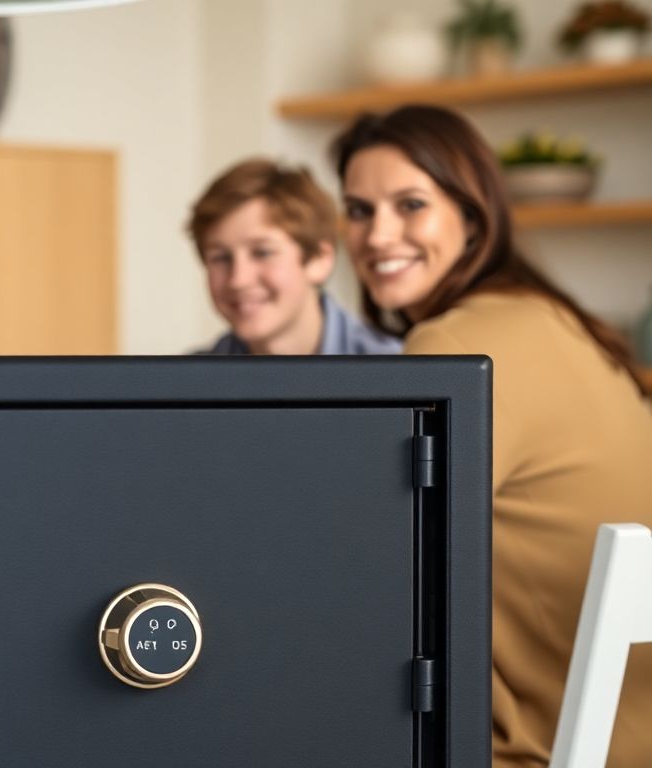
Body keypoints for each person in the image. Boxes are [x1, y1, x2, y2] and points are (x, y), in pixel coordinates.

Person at [332, 103, 652, 767]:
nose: (377, 234)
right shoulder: (550, 317)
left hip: (541, 744)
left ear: (472, 216)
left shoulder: (454, 346)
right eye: (359, 210)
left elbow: (372, 557)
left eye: (410, 204)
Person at [187, 158, 400, 355]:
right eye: (220, 257)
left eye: (262, 252)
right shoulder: (183, 385)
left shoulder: (399, 376)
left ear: (320, 260)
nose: (238, 280)